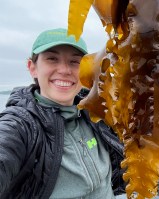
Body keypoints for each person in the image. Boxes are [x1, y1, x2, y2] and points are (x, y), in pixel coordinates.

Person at [0, 28, 126, 199]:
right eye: (52, 59)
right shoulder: (21, 124)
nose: (65, 70)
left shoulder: (98, 111)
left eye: (75, 62)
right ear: (32, 68)